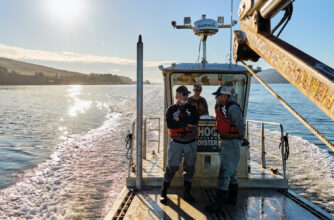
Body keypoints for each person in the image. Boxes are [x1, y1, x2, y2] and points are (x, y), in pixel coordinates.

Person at [206, 85, 246, 212]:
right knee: (232, 173)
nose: (216, 98)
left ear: (224, 96)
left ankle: (218, 203)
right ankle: (232, 199)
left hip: (231, 143)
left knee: (224, 174)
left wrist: (240, 138)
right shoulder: (223, 108)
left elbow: (240, 124)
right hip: (226, 142)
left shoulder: (233, 108)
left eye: (218, 96)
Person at [160, 85, 200, 205]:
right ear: (177, 96)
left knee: (189, 168)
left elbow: (195, 120)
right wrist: (185, 122)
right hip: (176, 143)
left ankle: (187, 193)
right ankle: (163, 192)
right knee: (171, 167)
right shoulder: (171, 109)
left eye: (187, 94)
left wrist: (179, 121)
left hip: (191, 143)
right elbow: (170, 124)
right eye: (183, 94)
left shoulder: (192, 108)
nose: (186, 96)